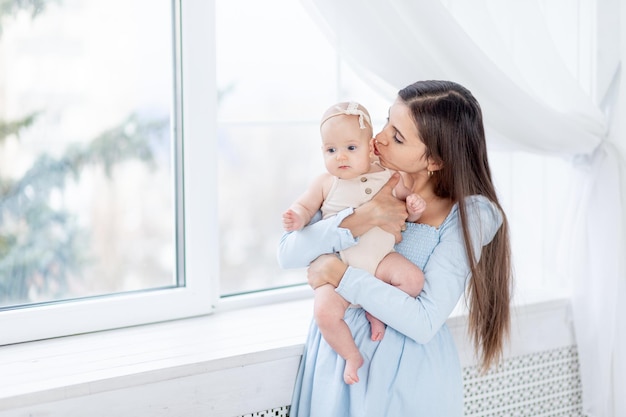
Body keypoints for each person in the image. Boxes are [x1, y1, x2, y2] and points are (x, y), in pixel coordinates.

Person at [277, 80, 512, 416]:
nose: (380, 137)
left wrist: (340, 274)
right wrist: (363, 217)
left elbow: (425, 321)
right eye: (388, 121)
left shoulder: (469, 215)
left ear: (434, 159)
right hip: (336, 354)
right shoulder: (360, 173)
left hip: (404, 373)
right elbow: (288, 254)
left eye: (398, 136)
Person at [282, 101, 427, 385]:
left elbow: (406, 212)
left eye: (351, 148)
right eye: (331, 150)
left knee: (413, 279)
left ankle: (376, 307)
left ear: (370, 147)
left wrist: (414, 207)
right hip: (340, 264)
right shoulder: (326, 182)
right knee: (324, 312)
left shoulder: (388, 176)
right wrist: (296, 217)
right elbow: (305, 206)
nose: (340, 157)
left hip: (380, 261)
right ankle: (351, 355)